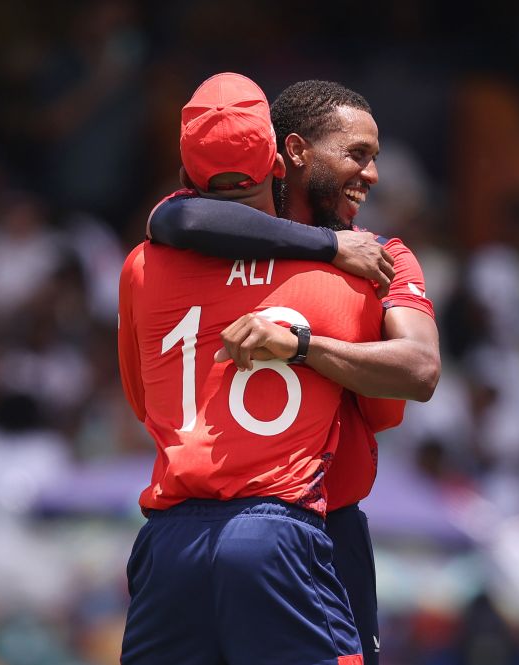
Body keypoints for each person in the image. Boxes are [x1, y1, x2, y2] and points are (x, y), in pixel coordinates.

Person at [146, 79, 441, 665]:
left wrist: (303, 346)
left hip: (318, 529)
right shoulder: (343, 261)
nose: (373, 174)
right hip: (286, 537)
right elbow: (175, 220)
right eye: (357, 154)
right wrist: (327, 247)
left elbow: (421, 366)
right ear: (297, 151)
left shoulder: (379, 254)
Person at [117, 72, 374, 664]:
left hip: (170, 542)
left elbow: (141, 402)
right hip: (277, 534)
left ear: (184, 178)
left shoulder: (140, 267)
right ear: (280, 166)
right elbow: (383, 409)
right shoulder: (337, 273)